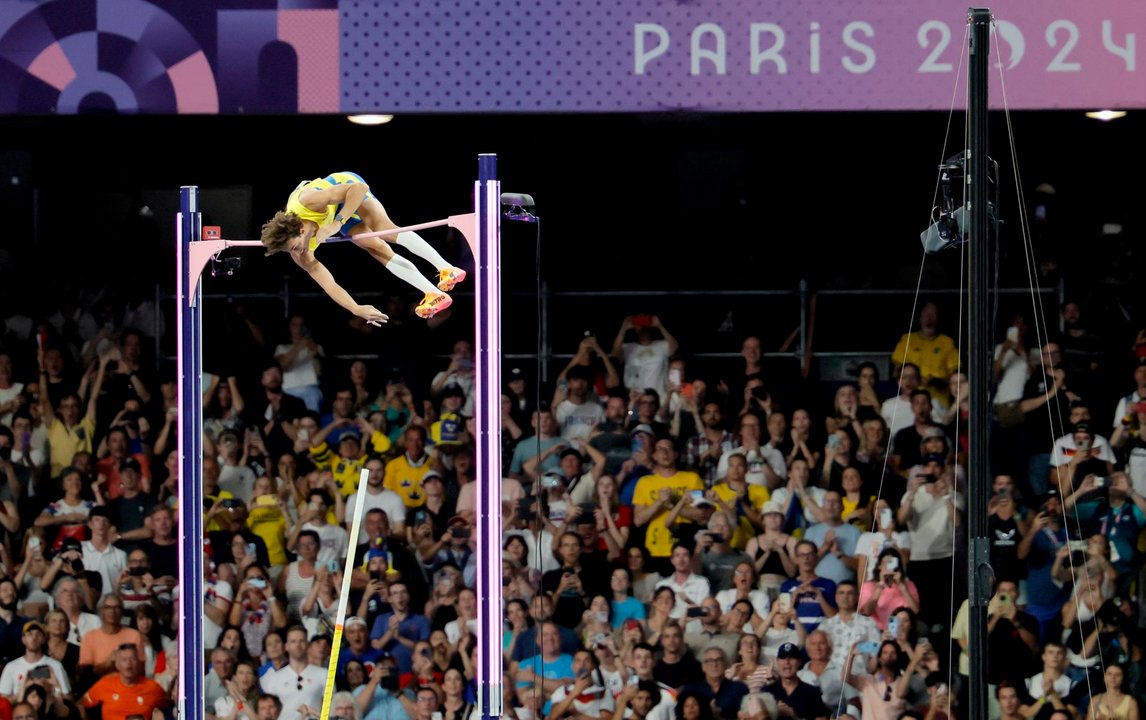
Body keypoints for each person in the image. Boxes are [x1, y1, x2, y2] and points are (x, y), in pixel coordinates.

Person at [259, 171, 466, 322]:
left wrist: (337, 223)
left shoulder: (308, 200)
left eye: (295, 247)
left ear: (300, 231)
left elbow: (359, 189)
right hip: (334, 211)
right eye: (292, 252)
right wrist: (355, 308)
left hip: (346, 187)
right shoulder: (301, 255)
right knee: (374, 247)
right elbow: (329, 284)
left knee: (384, 229)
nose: (299, 253)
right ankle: (433, 293)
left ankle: (445, 267)